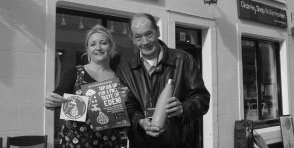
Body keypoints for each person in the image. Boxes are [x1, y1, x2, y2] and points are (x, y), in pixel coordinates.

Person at [117, 13, 211, 148]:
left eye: (149, 34)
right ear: (133, 39)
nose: (145, 42)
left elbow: (202, 98)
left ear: (158, 31)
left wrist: (183, 108)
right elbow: (128, 107)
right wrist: (140, 122)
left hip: (179, 143)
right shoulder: (125, 70)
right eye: (138, 37)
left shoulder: (183, 59)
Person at [45, 24, 125, 148]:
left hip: (109, 143)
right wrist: (51, 100)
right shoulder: (74, 72)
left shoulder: (120, 78)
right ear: (87, 50)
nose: (98, 47)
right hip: (75, 143)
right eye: (93, 44)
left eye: (103, 43)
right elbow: (59, 95)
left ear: (111, 47)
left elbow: (123, 120)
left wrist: (125, 102)